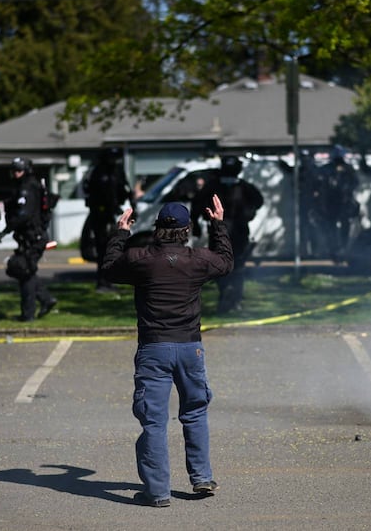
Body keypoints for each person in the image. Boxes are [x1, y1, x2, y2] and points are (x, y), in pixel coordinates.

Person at [100, 196, 233, 508]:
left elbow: (108, 268)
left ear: (157, 228)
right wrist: (218, 225)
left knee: (154, 421)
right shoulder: (199, 260)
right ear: (187, 230)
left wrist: (121, 232)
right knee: (196, 412)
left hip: (154, 349)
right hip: (190, 348)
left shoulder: (140, 259)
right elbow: (226, 262)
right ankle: (201, 477)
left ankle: (158, 492)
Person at [191, 155, 263, 314]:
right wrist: (196, 223)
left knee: (232, 266)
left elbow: (258, 201)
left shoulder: (242, 187)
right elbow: (196, 205)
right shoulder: (215, 187)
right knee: (228, 266)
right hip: (223, 232)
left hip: (234, 232)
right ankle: (229, 296)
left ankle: (232, 297)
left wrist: (247, 213)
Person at [0, 157, 57, 321]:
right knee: (25, 271)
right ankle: (45, 299)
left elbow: (24, 214)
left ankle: (28, 313)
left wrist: (7, 229)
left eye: (19, 170)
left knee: (23, 269)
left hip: (33, 238)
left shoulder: (28, 188)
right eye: (14, 170)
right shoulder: (26, 186)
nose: (16, 174)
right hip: (29, 237)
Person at [82, 147, 134, 290]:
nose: (115, 161)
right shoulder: (100, 173)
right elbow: (102, 194)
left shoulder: (116, 171)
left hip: (112, 213)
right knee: (103, 248)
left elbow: (124, 188)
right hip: (101, 214)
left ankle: (107, 280)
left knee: (111, 247)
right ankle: (102, 281)